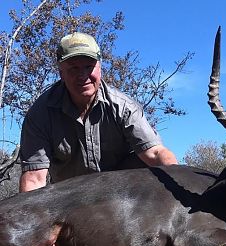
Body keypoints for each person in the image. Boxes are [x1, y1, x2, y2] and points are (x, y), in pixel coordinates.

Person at [19, 32, 178, 192]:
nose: (83, 75)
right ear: (61, 73)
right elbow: (34, 179)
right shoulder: (40, 114)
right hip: (69, 200)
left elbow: (155, 153)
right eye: (74, 68)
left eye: (89, 66)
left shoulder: (124, 107)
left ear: (100, 68)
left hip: (122, 197)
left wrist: (181, 180)